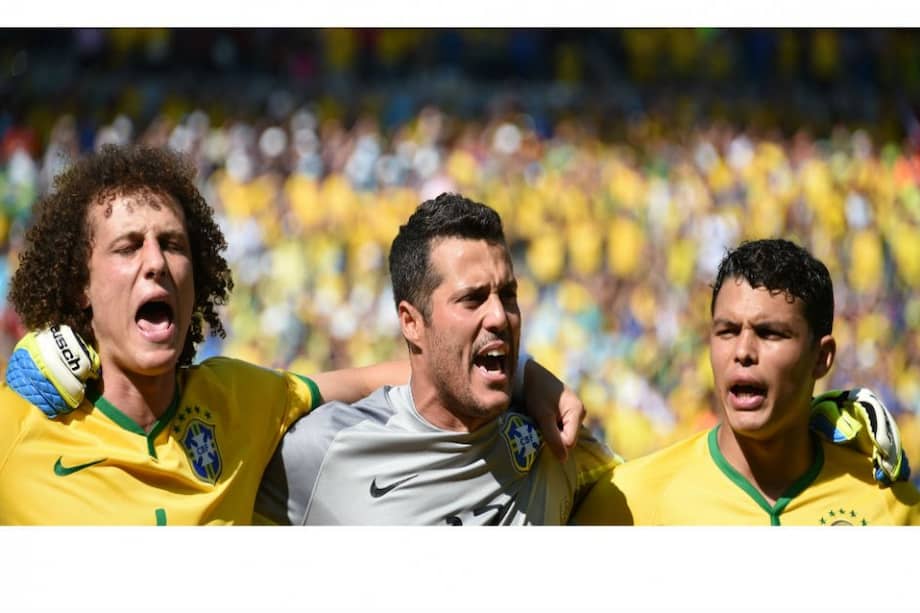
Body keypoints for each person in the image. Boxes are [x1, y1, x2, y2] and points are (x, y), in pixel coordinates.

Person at [0, 146, 581, 525]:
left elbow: (375, 378)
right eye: (129, 247)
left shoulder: (241, 401)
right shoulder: (18, 426)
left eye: (173, 245)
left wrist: (524, 377)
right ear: (80, 285)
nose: (156, 263)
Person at [254, 193, 616, 524]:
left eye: (507, 295)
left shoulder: (553, 438)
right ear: (411, 323)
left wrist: (526, 373)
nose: (499, 317)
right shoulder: (326, 449)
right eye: (472, 299)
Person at [574, 239, 920, 525]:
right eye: (727, 330)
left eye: (770, 333)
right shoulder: (628, 501)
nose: (743, 351)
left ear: (821, 357)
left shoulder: (891, 505)